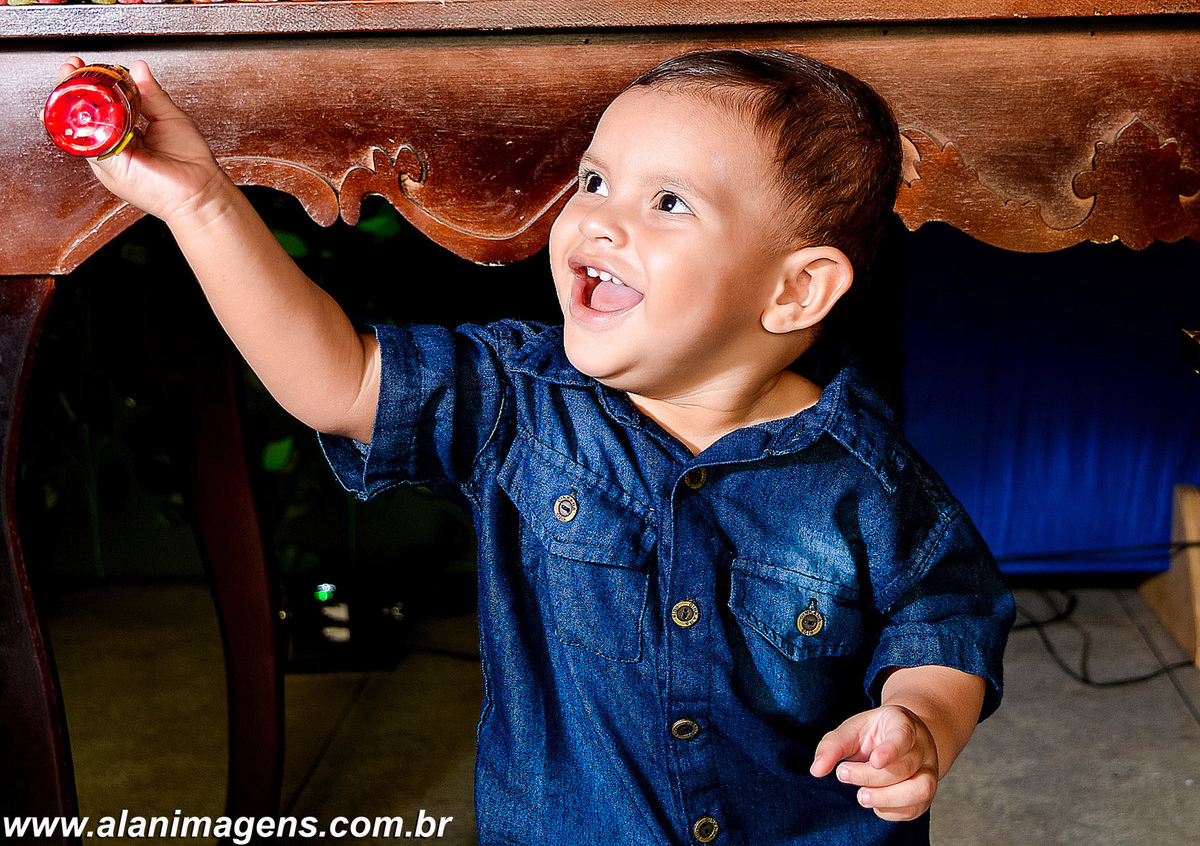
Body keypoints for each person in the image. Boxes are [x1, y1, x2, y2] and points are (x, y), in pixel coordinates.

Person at [63, 48, 1014, 845]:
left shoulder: (869, 482)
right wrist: (198, 205)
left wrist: (919, 721)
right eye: (596, 181)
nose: (599, 217)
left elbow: (948, 624)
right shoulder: (519, 403)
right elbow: (340, 383)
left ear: (797, 292)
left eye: (669, 203)